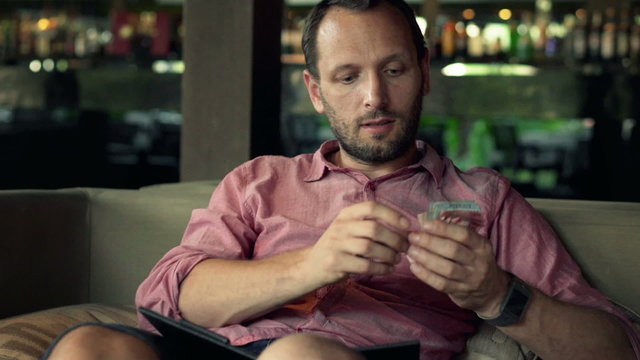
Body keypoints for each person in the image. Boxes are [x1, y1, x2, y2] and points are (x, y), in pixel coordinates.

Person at [44, 0, 639, 359]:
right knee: (88, 346)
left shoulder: (483, 199)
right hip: (217, 355)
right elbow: (165, 297)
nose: (375, 97)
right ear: (316, 91)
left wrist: (496, 295)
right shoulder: (260, 181)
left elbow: (617, 349)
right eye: (348, 77)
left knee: (302, 355)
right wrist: (316, 263)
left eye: (394, 70)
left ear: (424, 73)